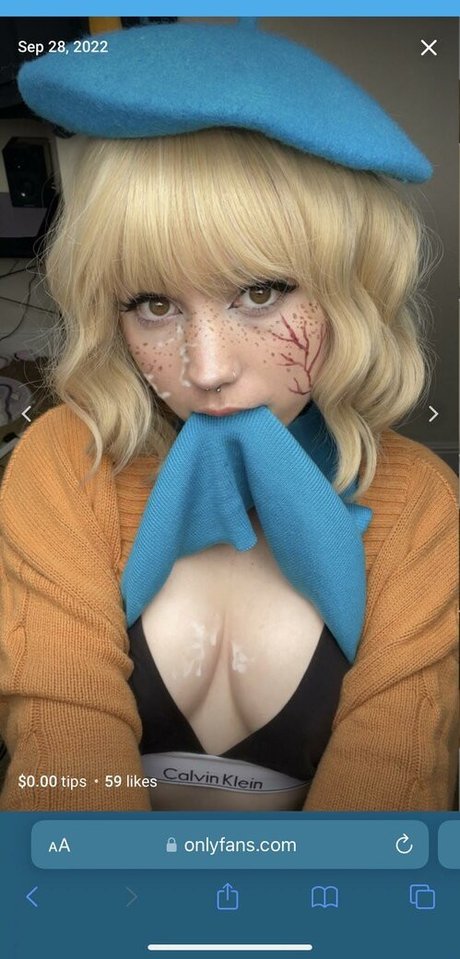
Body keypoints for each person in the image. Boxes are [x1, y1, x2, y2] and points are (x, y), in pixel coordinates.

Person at [0, 19, 457, 812]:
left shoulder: (420, 505)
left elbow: (386, 805)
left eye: (261, 291)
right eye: (153, 304)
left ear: (350, 289)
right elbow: (63, 773)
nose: (207, 371)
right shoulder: (65, 463)